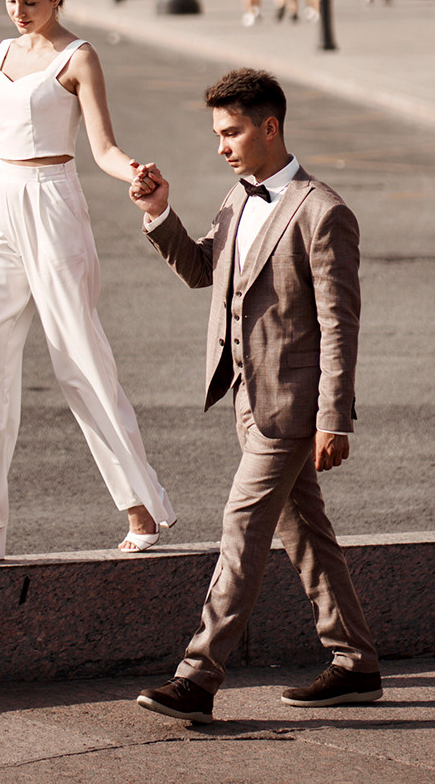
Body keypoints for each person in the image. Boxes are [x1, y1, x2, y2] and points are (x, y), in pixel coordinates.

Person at [129, 68, 381, 723]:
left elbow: (338, 323)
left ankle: (198, 676)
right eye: (217, 132)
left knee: (243, 526)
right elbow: (201, 270)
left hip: (292, 408)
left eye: (232, 131)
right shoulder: (238, 199)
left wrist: (334, 418)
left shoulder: (323, 211)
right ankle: (355, 663)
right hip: (246, 395)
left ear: (271, 126)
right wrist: (158, 211)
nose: (222, 145)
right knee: (306, 533)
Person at [0, 0, 176, 566]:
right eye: (10, 1)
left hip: (55, 203)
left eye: (30, 3)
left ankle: (141, 507)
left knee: (79, 358)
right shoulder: (1, 54)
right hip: (2, 210)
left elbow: (102, 147)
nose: (18, 13)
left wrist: (134, 174)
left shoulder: (78, 57)